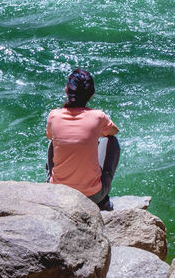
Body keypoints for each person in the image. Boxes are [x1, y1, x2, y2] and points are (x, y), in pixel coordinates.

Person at [46, 68, 120, 210]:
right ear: (91, 94)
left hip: (59, 193)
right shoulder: (98, 116)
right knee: (112, 141)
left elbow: (49, 136)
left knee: (52, 141)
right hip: (92, 196)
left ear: (67, 90)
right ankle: (103, 199)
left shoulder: (54, 116)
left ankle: (51, 178)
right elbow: (114, 132)